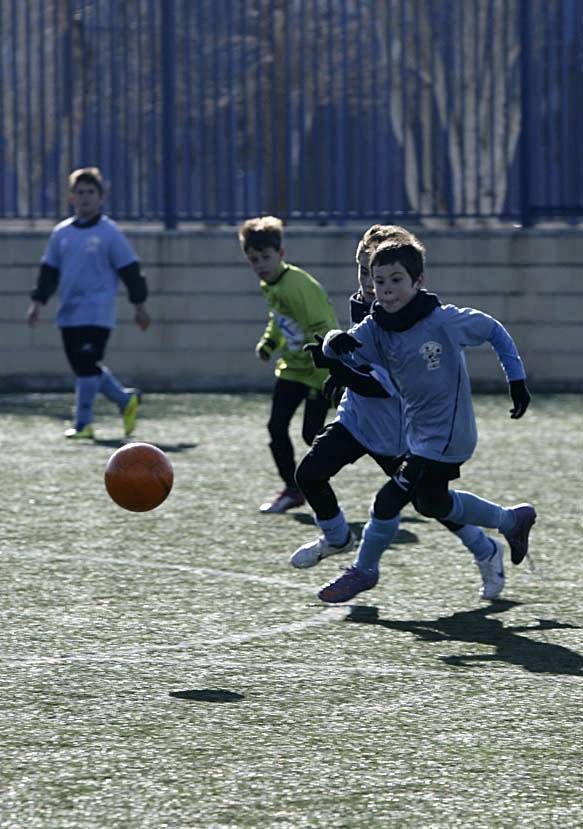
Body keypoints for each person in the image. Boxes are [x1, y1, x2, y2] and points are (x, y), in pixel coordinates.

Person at [316, 231, 536, 603]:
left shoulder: (444, 321)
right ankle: (511, 520)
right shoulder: (377, 326)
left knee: (387, 501)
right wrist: (333, 342)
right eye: (379, 281)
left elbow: (494, 330)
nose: (386, 290)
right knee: (432, 503)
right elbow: (342, 344)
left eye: (396, 280)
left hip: (450, 435)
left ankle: (364, 571)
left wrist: (517, 381)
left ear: (419, 281)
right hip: (418, 434)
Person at [27, 167, 150, 440]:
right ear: (71, 198)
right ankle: (124, 399)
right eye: (79, 193)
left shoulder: (110, 233)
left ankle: (83, 423)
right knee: (85, 366)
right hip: (69, 313)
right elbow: (49, 272)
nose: (85, 198)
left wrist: (140, 305)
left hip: (98, 311)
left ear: (101, 197)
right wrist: (37, 302)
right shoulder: (61, 234)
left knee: (86, 363)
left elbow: (130, 270)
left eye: (90, 192)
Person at [238, 216, 338, 513]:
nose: (260, 264)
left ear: (280, 254)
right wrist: (269, 343)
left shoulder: (299, 285)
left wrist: (325, 366)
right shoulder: (270, 284)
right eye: (254, 259)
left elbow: (324, 324)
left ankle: (365, 450)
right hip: (291, 369)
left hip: (317, 372)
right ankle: (293, 490)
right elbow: (280, 319)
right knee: (276, 428)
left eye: (266, 258)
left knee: (312, 436)